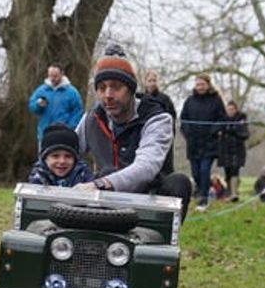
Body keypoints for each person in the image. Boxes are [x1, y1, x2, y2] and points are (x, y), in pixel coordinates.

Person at [74, 44, 193, 219]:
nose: (108, 95)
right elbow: (66, 151)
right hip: (106, 199)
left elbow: (146, 167)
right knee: (105, 171)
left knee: (179, 183)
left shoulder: (158, 119)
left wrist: (100, 184)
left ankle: (161, 234)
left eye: (116, 87)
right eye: (102, 88)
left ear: (131, 90)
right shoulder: (91, 118)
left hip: (150, 194)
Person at [180, 73, 226, 212]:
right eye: (198, 84)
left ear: (208, 85)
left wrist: (213, 131)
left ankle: (204, 198)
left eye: (202, 84)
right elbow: (183, 119)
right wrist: (188, 133)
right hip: (193, 143)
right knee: (195, 173)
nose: (200, 87)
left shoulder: (216, 100)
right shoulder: (189, 101)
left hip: (209, 143)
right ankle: (203, 191)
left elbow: (222, 119)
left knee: (204, 170)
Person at [28, 63, 83, 148]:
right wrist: (38, 105)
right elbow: (31, 106)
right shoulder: (41, 90)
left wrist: (70, 127)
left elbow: (77, 111)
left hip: (63, 135)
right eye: (50, 76)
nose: (52, 79)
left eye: (55, 76)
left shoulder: (72, 92)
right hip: (44, 134)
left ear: (62, 74)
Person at [27, 123, 93, 187]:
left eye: (68, 156)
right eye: (55, 156)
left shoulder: (83, 174)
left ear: (75, 159)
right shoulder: (39, 175)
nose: (62, 161)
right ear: (45, 158)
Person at [141, 70, 177, 174]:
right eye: (150, 81)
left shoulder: (165, 99)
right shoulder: (142, 99)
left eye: (154, 81)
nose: (152, 83)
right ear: (145, 82)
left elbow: (172, 117)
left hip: (163, 136)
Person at [217, 100, 249, 201]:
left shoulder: (241, 119)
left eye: (232, 109)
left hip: (237, 150)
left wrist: (234, 130)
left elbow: (245, 134)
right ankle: (229, 192)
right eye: (228, 109)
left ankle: (234, 193)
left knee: (235, 171)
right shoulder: (222, 120)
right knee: (227, 172)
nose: (230, 111)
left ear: (235, 110)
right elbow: (217, 132)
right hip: (225, 151)